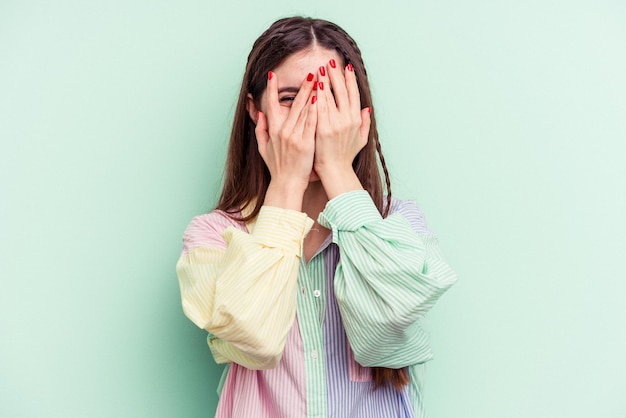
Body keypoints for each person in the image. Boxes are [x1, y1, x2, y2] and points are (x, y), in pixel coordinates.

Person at [176, 16, 457, 418]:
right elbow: (255, 338)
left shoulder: (398, 226)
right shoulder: (214, 236)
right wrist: (287, 182)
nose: (312, 118)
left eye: (329, 98)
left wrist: (339, 170)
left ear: (357, 114)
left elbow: (386, 330)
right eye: (290, 98)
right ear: (257, 112)